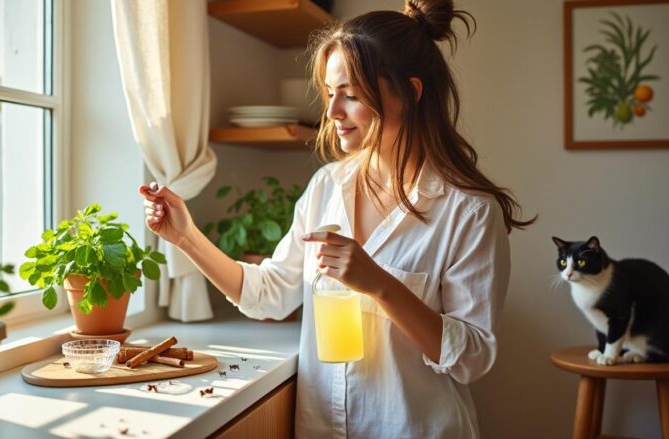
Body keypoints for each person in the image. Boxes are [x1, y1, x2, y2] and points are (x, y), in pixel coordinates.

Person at [140, 1, 535, 437]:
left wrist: (380, 284)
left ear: (410, 92)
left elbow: (472, 358)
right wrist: (186, 237)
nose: (332, 113)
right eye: (330, 94)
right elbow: (268, 294)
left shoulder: (469, 211)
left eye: (349, 94)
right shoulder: (327, 187)